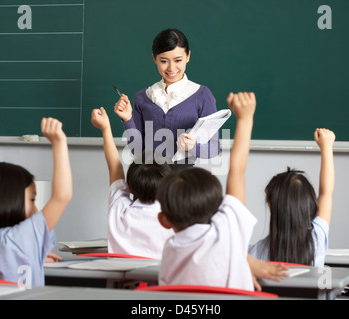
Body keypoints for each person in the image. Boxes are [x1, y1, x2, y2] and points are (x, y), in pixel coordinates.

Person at [155, 92, 258, 290]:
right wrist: (245, 118)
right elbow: (237, 170)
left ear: (163, 220)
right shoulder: (228, 231)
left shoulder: (169, 249)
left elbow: (237, 171)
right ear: (216, 206)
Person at [0, 118, 72, 286]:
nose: (36, 208)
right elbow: (62, 196)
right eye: (32, 199)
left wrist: (34, 253)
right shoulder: (22, 237)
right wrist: (59, 142)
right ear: (9, 199)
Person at [114, 28, 220, 163]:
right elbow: (137, 150)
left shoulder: (202, 95)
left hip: (182, 179)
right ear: (154, 58)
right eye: (164, 61)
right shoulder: (143, 97)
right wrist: (128, 119)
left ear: (188, 56)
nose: (171, 68)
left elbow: (214, 148)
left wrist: (193, 147)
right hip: (148, 177)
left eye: (178, 60)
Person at [91, 107, 174, 259]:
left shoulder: (119, 209)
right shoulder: (174, 222)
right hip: (159, 283)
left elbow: (115, 167)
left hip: (121, 282)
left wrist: (105, 128)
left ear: (128, 188)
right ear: (169, 189)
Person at [250, 128, 335, 267]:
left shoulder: (257, 252)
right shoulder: (316, 237)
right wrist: (327, 147)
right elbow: (326, 193)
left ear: (270, 206)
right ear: (310, 204)